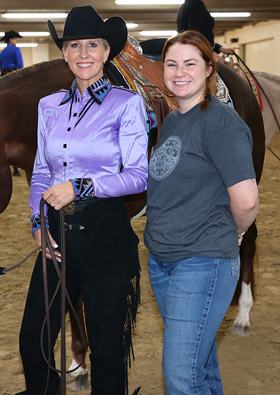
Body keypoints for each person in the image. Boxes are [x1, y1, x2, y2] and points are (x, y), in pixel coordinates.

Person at [17, 6, 148, 394]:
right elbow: (41, 171)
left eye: (93, 45)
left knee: (107, 349)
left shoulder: (126, 105)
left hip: (105, 233)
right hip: (57, 231)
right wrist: (37, 222)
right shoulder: (48, 107)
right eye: (75, 45)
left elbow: (139, 176)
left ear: (107, 52)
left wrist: (82, 186)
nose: (84, 53)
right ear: (64, 53)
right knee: (33, 339)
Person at [144, 30, 258, 394]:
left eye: (190, 63)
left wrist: (235, 231)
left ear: (209, 69)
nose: (179, 72)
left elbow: (247, 201)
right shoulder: (175, 119)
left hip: (202, 260)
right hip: (164, 261)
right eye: (172, 64)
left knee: (180, 375)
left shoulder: (221, 123)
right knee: (200, 364)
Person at [0, 29, 24, 176]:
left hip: (3, 76)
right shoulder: (16, 50)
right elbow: (20, 66)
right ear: (13, 39)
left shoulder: (2, 52)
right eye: (16, 39)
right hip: (14, 75)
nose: (16, 41)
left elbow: (0, 66)